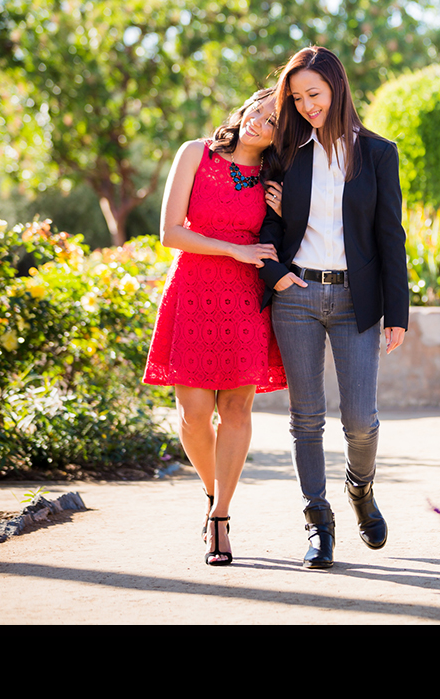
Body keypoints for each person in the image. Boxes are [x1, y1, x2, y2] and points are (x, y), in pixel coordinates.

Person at [258, 46, 408, 569]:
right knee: (305, 419)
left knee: (361, 421)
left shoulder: (378, 154)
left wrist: (398, 312)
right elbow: (269, 226)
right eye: (296, 98)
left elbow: (391, 235)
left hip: (356, 300)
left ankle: (360, 489)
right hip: (295, 297)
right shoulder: (286, 154)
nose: (305, 105)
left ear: (337, 89)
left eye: (313, 94)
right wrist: (277, 277)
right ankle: (317, 522)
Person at [143, 88, 287, 566]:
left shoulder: (274, 179)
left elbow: (293, 239)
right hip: (194, 290)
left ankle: (221, 517)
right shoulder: (194, 153)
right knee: (193, 413)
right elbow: (170, 233)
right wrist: (235, 249)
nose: (258, 122)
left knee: (237, 408)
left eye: (271, 121)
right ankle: (212, 493)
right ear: (245, 108)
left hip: (247, 300)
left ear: (278, 136)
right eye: (258, 110)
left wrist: (283, 216)